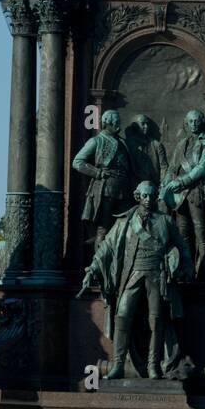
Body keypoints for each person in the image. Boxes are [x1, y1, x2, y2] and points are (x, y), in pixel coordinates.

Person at [78, 181, 192, 380]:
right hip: (132, 274)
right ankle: (118, 365)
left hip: (157, 275)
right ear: (137, 196)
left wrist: (185, 266)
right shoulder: (125, 222)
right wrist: (92, 268)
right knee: (122, 315)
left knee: (156, 320)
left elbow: (182, 246)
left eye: (152, 195)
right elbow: (106, 247)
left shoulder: (165, 221)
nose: (148, 200)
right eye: (144, 196)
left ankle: (153, 366)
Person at [161, 110, 205, 280]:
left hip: (198, 193)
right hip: (180, 197)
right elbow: (173, 167)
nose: (194, 124)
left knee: (201, 233)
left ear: (202, 122)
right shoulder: (181, 144)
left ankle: (204, 271)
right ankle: (186, 270)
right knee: (183, 234)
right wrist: (166, 183)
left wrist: (180, 182)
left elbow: (201, 169)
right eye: (191, 121)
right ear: (186, 123)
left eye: (197, 120)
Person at [72, 111, 136, 248]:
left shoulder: (122, 142)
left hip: (124, 190)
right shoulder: (96, 141)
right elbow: (77, 162)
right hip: (106, 190)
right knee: (103, 229)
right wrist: (97, 172)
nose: (118, 125)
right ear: (107, 123)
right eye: (115, 122)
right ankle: (99, 266)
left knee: (125, 226)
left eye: (119, 121)